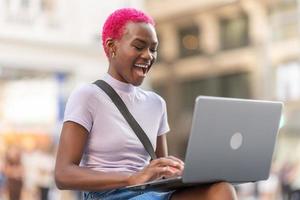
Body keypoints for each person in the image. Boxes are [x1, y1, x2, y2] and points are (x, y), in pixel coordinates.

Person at [54, 7, 237, 200]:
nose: (148, 55)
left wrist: (175, 172)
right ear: (112, 47)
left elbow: (160, 171)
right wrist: (131, 178)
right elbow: (63, 174)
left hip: (147, 193)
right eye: (139, 46)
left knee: (221, 190)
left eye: (153, 49)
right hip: (106, 195)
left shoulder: (156, 103)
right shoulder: (88, 96)